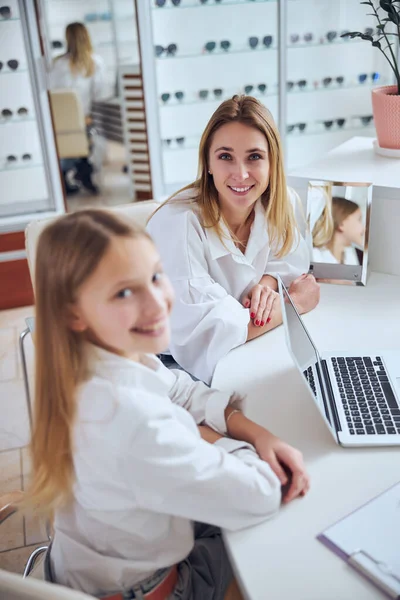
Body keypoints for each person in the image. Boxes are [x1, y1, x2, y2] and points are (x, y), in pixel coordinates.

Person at [28, 209, 310, 600]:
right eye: (124, 292)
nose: (157, 304)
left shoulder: (97, 358)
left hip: (98, 563)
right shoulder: (130, 420)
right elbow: (260, 493)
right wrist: (222, 439)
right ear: (74, 313)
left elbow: (180, 390)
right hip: (158, 589)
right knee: (289, 547)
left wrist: (253, 431)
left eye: (157, 276)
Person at [147, 95, 320, 385]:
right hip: (172, 368)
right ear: (208, 163)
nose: (240, 175)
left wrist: (263, 287)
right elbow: (207, 332)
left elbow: (289, 265)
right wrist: (295, 305)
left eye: (254, 157)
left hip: (247, 345)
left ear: (272, 162)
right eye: (225, 156)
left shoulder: (280, 202)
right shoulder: (178, 224)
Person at [49, 22, 105, 195]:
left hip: (58, 120)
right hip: (83, 119)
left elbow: (51, 92)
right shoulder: (95, 62)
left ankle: (67, 174)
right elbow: (100, 93)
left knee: (66, 144)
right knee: (88, 137)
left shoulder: (57, 63)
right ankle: (84, 172)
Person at [312, 197, 365, 265]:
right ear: (342, 223)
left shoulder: (353, 256)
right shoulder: (315, 257)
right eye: (359, 219)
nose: (363, 228)